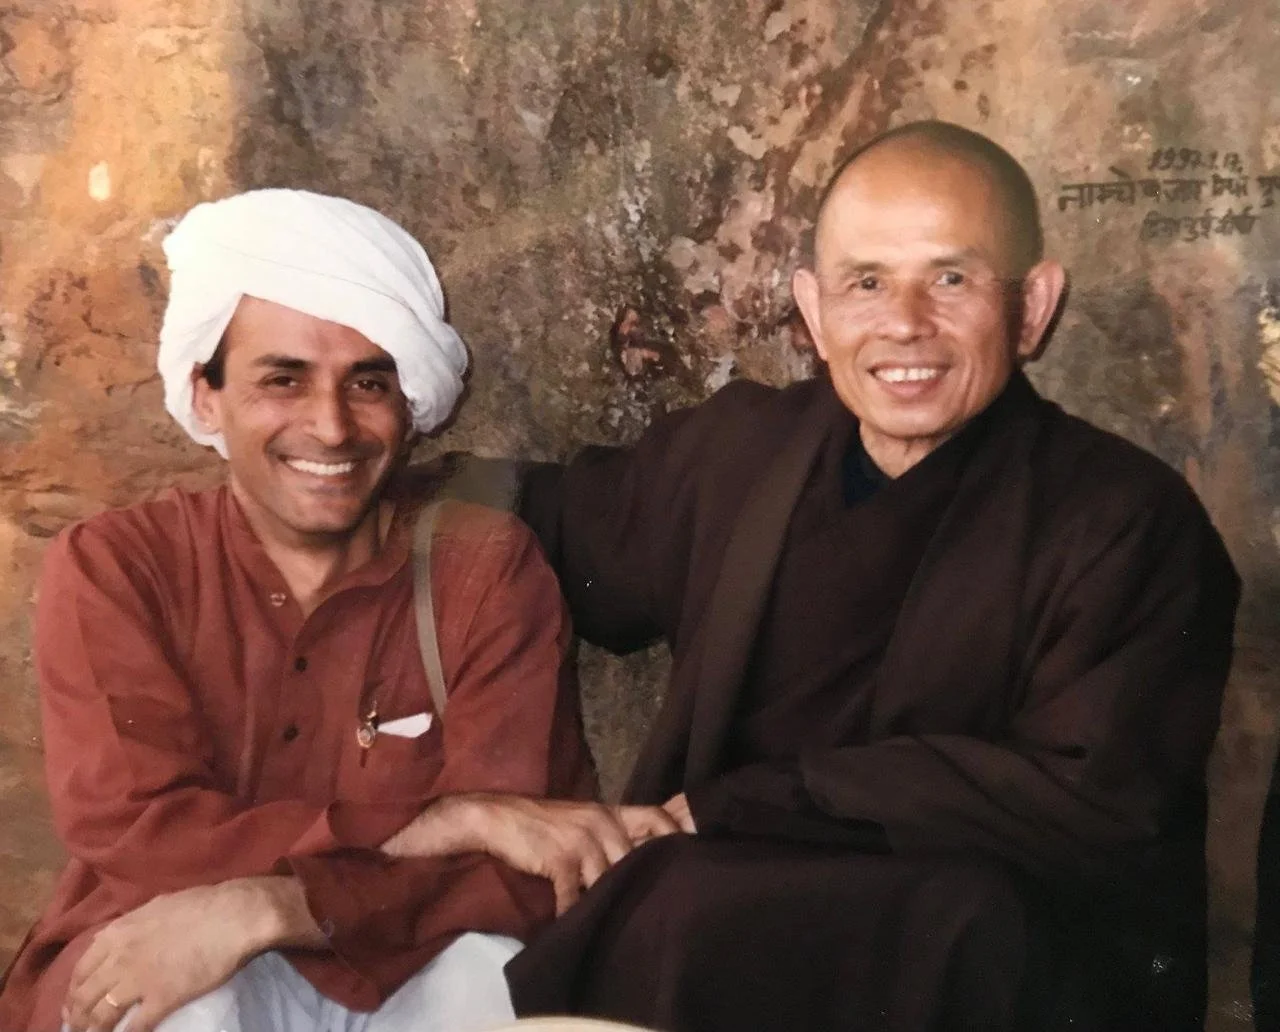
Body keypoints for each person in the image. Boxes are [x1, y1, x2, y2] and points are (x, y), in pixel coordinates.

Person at [503, 122, 1242, 1031]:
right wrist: (346, 485)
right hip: (708, 919)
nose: (904, 324)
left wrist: (739, 805)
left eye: (952, 278)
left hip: (980, 969)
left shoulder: (1124, 519)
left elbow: (1085, 797)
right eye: (866, 283)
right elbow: (553, 526)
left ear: (1033, 305)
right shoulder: (740, 453)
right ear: (812, 311)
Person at [0, 189, 680, 1032]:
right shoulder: (119, 569)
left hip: (399, 966)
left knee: (495, 978)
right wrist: (450, 820)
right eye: (282, 380)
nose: (330, 426)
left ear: (408, 408)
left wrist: (276, 908)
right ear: (206, 396)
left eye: (367, 382)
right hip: (167, 958)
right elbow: (148, 837)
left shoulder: (483, 572)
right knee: (180, 1007)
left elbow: (528, 866)